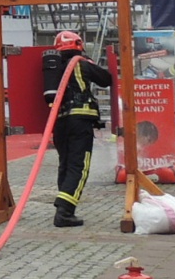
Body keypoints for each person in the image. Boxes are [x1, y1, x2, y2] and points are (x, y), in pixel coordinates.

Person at [47, 30, 112, 228]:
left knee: (65, 165)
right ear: (78, 45)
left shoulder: (53, 67)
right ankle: (64, 212)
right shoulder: (80, 63)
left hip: (58, 122)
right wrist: (87, 59)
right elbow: (106, 78)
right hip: (79, 120)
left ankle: (65, 207)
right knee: (79, 166)